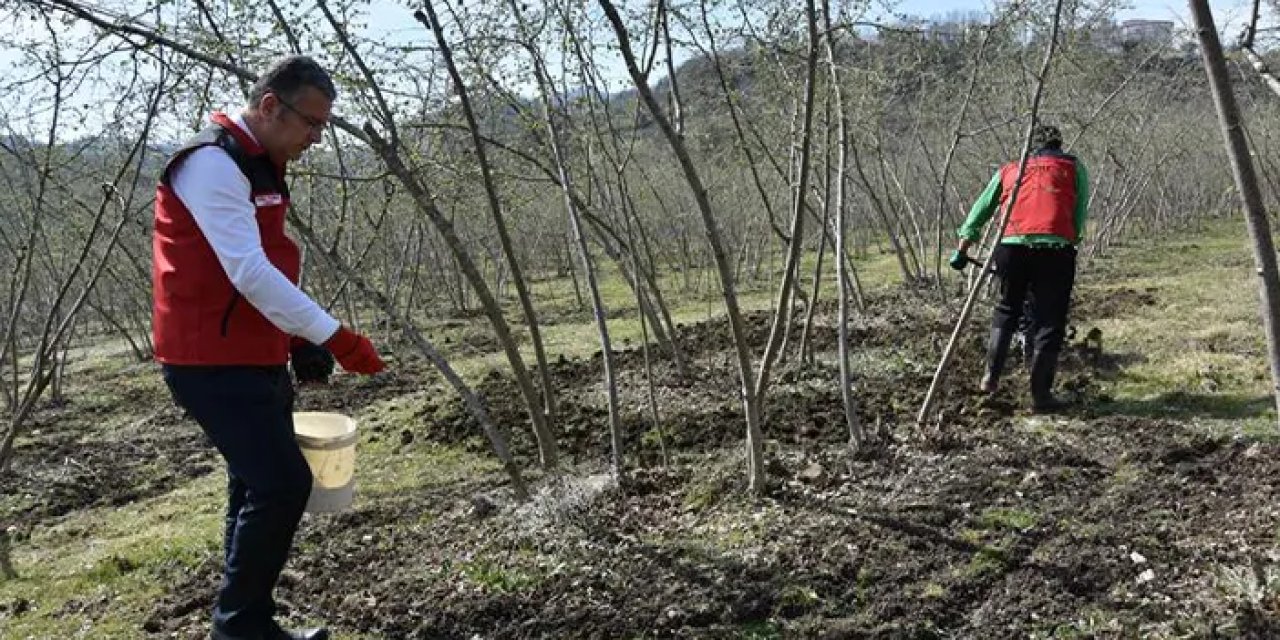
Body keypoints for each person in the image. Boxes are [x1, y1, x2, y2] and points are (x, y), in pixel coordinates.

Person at [153, 55, 384, 640]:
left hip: (254, 354)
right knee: (283, 483)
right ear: (269, 107)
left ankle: (244, 623)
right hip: (209, 361)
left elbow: (271, 263)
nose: (315, 139)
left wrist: (297, 340)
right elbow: (248, 272)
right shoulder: (212, 164)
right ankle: (240, 627)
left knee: (253, 483)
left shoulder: (261, 165)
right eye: (310, 124)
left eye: (322, 128)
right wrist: (334, 334)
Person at [949, 124, 1089, 413]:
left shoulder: (1011, 169)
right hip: (1055, 249)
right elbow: (1079, 210)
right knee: (1050, 320)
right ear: (1058, 145)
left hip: (1011, 247)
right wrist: (1071, 239)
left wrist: (962, 249)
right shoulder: (1072, 166)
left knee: (1007, 308)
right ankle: (1041, 396)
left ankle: (990, 378)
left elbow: (980, 208)